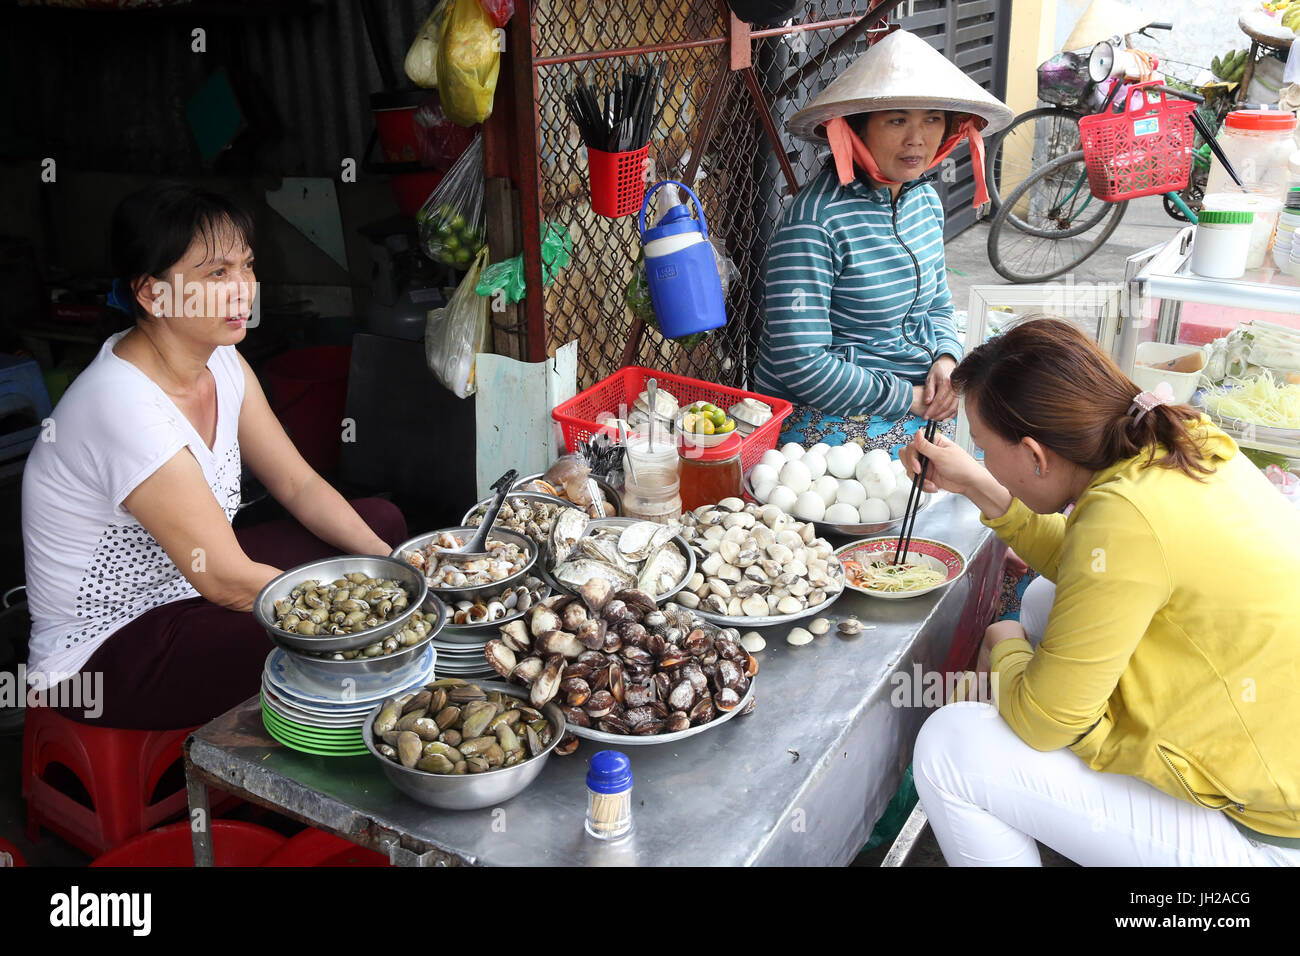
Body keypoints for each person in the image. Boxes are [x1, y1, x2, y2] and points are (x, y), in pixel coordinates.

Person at [900, 318, 1300, 866]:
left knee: (950, 744)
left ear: (1036, 456)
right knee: (1045, 599)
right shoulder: (1179, 439)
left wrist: (1007, 642)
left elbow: (1044, 722)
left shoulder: (1124, 516)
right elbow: (1098, 567)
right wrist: (977, 483)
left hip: (1267, 836)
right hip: (1269, 759)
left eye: (987, 449)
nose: (984, 461)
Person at [21, 183, 407, 730]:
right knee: (297, 644)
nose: (243, 290)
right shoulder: (120, 403)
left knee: (379, 523)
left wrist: (397, 569)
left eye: (246, 267)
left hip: (191, 590)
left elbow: (297, 485)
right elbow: (226, 580)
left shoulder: (222, 362)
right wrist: (368, 609)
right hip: (103, 657)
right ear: (153, 296)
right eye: (216, 274)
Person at [754, 29, 1012, 453]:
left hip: (914, 379)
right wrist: (909, 399)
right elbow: (801, 364)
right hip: (825, 408)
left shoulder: (924, 201)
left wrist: (946, 362)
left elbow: (938, 306)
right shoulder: (816, 223)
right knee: (959, 460)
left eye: (932, 118)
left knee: (1015, 411)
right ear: (857, 129)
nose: (918, 138)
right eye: (897, 120)